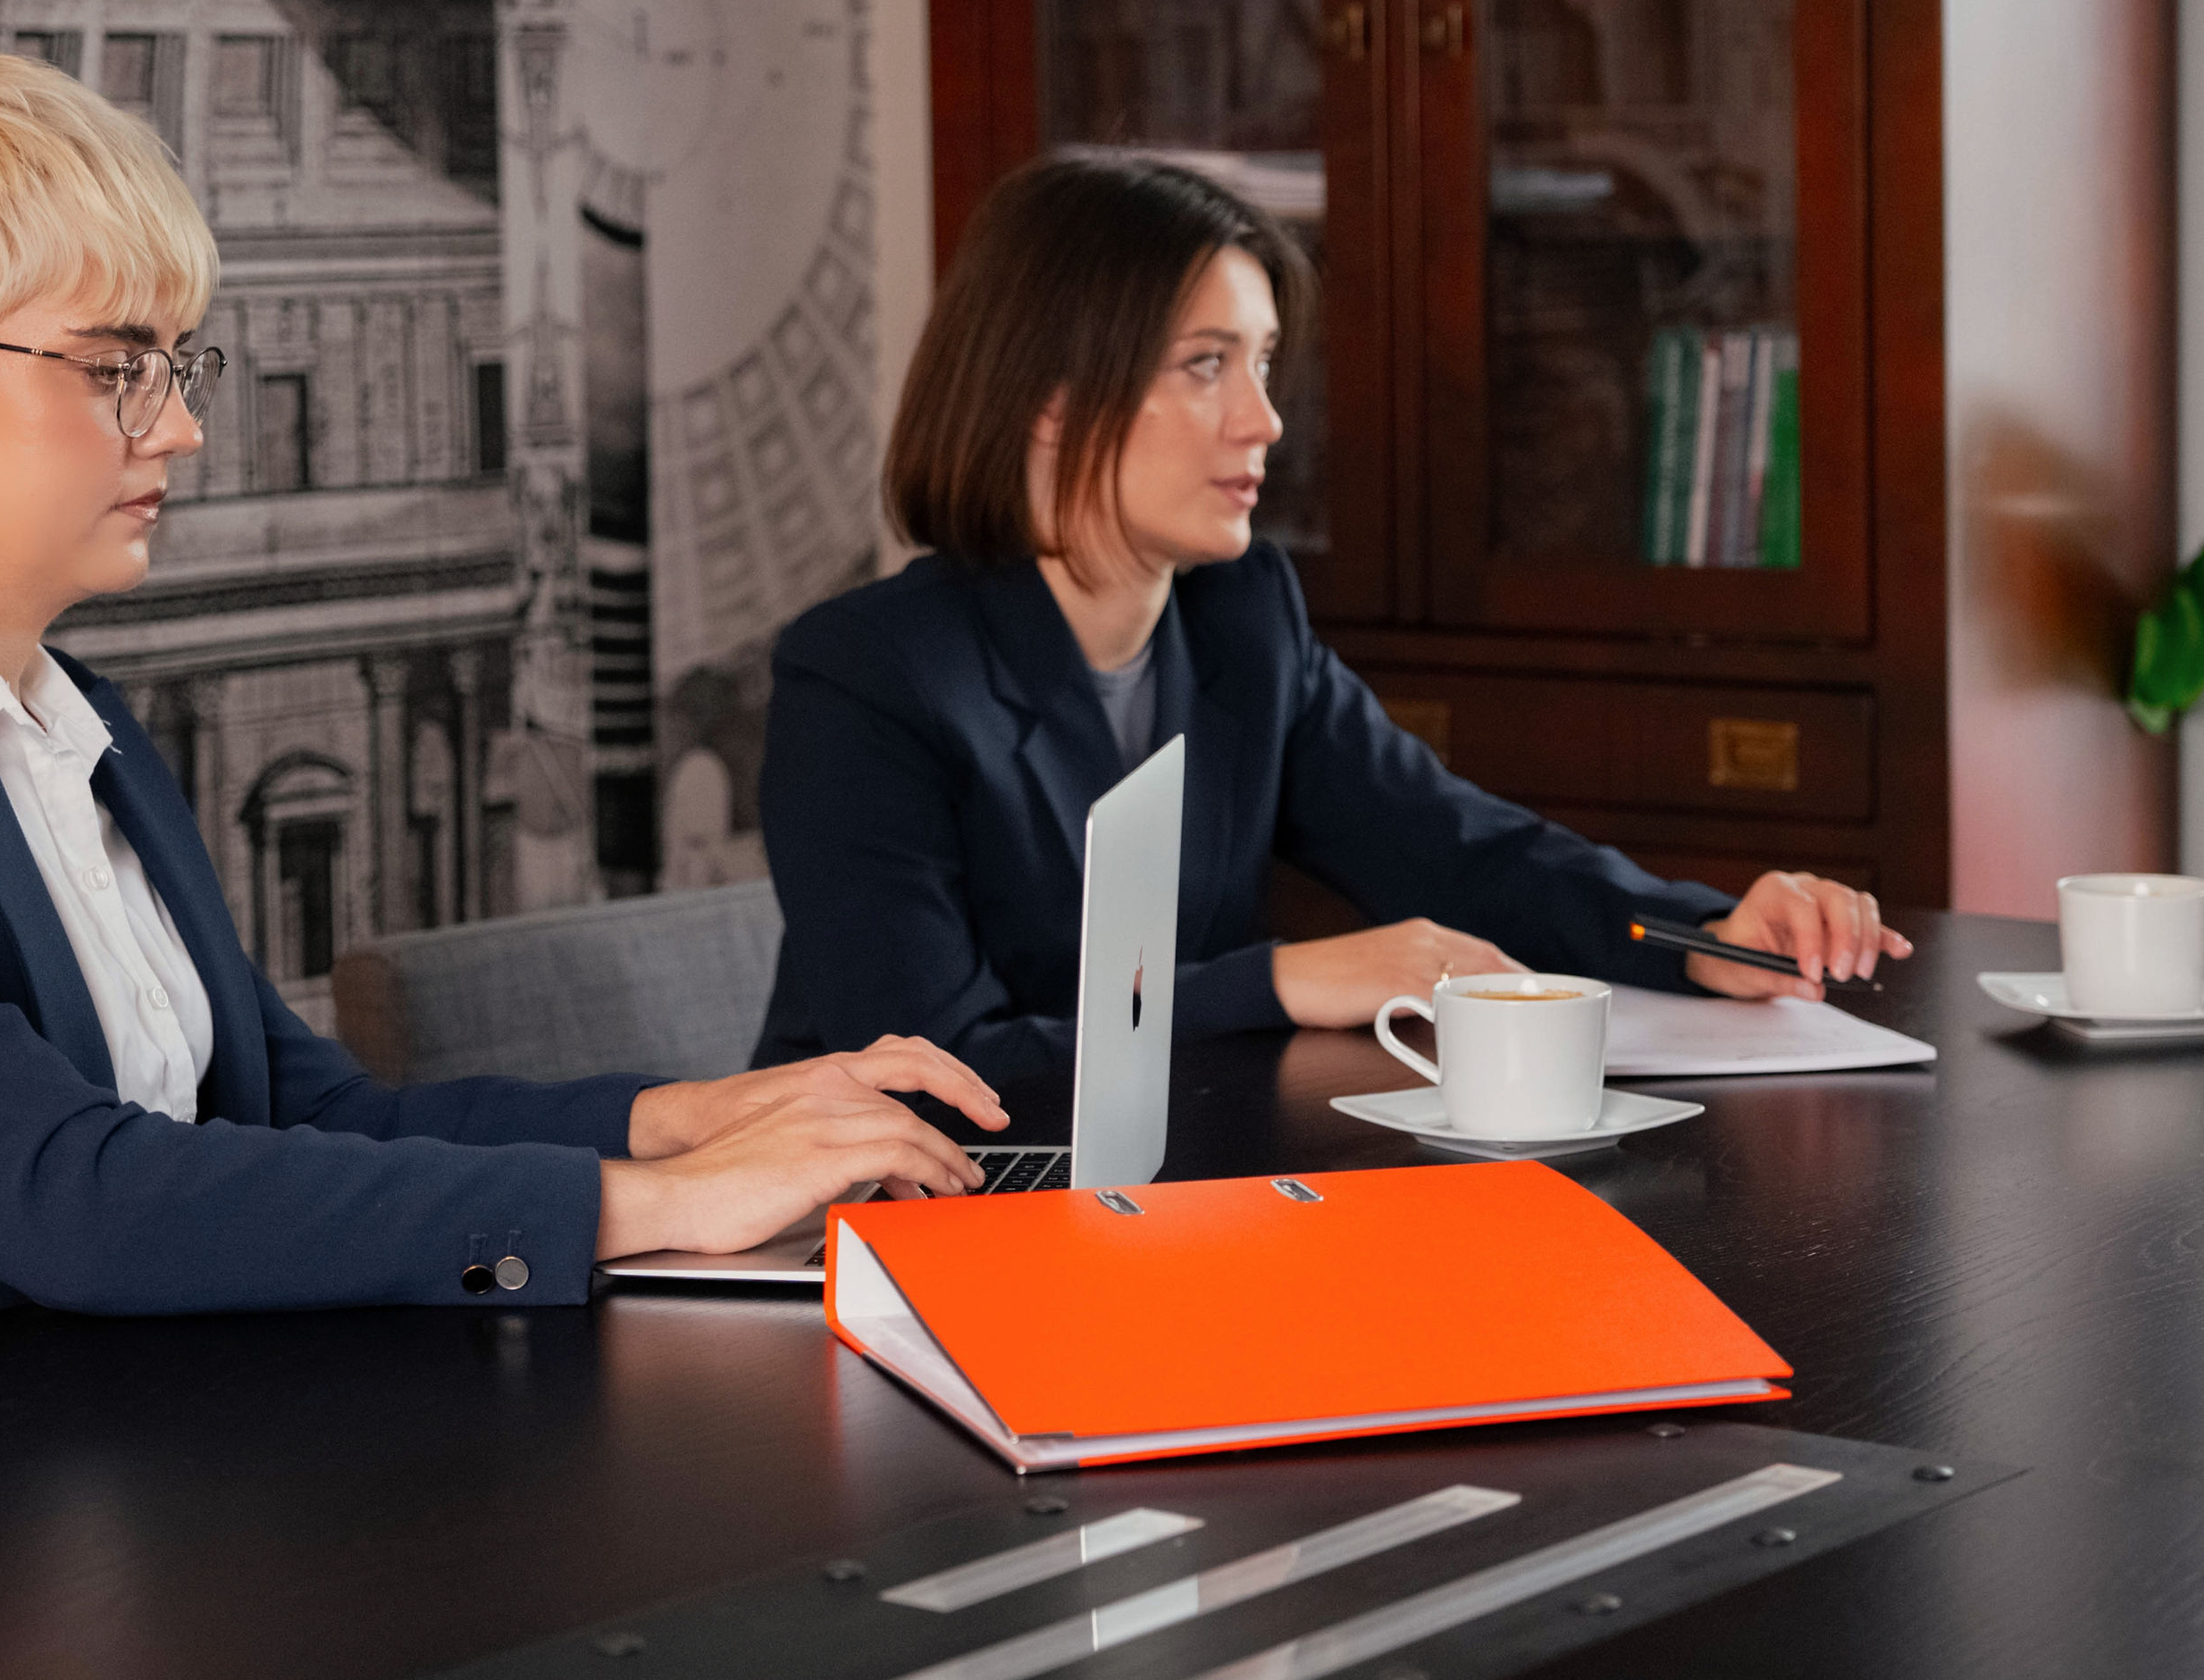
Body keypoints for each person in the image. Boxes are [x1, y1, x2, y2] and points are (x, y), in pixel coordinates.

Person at [0, 50, 1002, 1379]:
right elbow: (67, 1196)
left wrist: (691, 1120)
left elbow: (313, 1116)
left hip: (135, 1444)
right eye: (113, 368)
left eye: (178, 366)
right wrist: (656, 1206)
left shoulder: (80, 722)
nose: (181, 429)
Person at [750, 150, 1906, 1117]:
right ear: (1049, 398)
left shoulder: (1243, 617)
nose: (1264, 420)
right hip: (886, 1228)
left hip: (1169, 1191)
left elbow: (1462, 851)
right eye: (1206, 366)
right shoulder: (865, 677)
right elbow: (935, 1067)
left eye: (1260, 363)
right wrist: (1284, 979)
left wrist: (1702, 934)